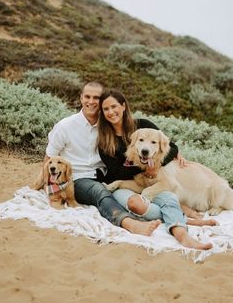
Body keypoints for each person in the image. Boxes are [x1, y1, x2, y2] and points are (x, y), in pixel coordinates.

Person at [97, 89, 216, 250]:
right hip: (127, 183)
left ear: (123, 106)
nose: (111, 112)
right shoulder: (104, 141)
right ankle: (185, 216)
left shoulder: (142, 125)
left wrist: (156, 166)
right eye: (106, 109)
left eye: (114, 106)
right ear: (102, 112)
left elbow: (171, 147)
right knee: (135, 204)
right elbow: (117, 172)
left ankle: (182, 234)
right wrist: (146, 168)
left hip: (149, 182)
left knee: (167, 198)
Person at [45, 81, 161, 236]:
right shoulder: (65, 126)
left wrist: (172, 155)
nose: (91, 101)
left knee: (130, 193)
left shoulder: (108, 126)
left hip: (105, 177)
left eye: (96, 98)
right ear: (81, 98)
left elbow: (158, 142)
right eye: (87, 96)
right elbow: (48, 159)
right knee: (100, 191)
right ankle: (130, 224)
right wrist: (52, 189)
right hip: (78, 179)